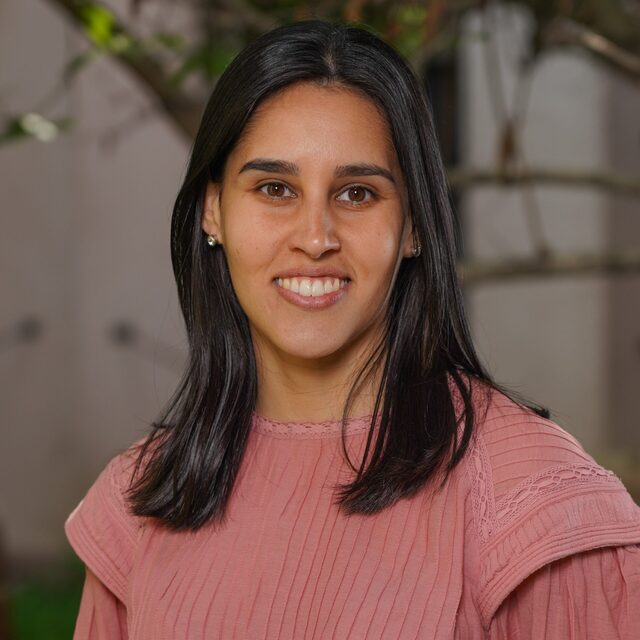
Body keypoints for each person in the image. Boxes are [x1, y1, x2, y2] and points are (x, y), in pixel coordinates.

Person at [65, 19, 640, 639]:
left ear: (414, 225)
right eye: (275, 188)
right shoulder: (138, 505)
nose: (315, 238)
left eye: (358, 194)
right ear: (214, 211)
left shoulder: (536, 508)